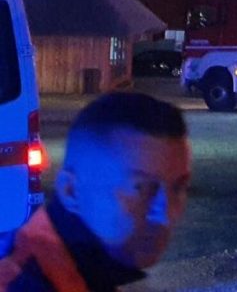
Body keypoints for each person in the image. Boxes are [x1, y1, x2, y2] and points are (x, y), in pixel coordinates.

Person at [0, 92, 192, 291]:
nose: (167, 214)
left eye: (178, 187)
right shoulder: (23, 282)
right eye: (140, 188)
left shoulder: (83, 269)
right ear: (71, 191)